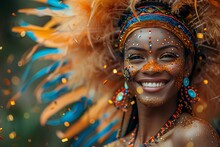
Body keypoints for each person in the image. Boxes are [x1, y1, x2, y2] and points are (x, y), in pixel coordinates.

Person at [9, 0, 220, 146]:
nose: (151, 68)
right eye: (137, 57)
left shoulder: (194, 134)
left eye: (167, 56)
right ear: (122, 67)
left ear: (188, 63)